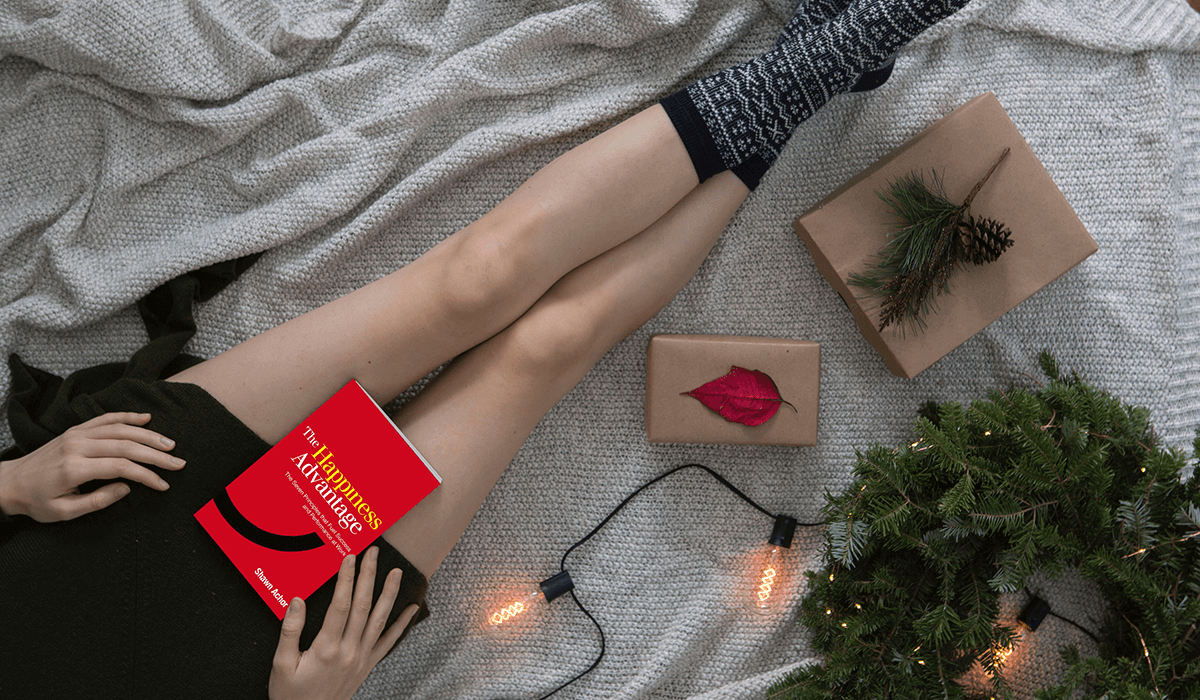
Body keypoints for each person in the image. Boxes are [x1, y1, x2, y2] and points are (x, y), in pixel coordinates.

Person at [0, 0, 971, 697]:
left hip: (113, 509)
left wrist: (8, 487)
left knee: (473, 282)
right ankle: (824, 67)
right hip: (271, 642)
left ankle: (820, 59)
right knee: (547, 346)